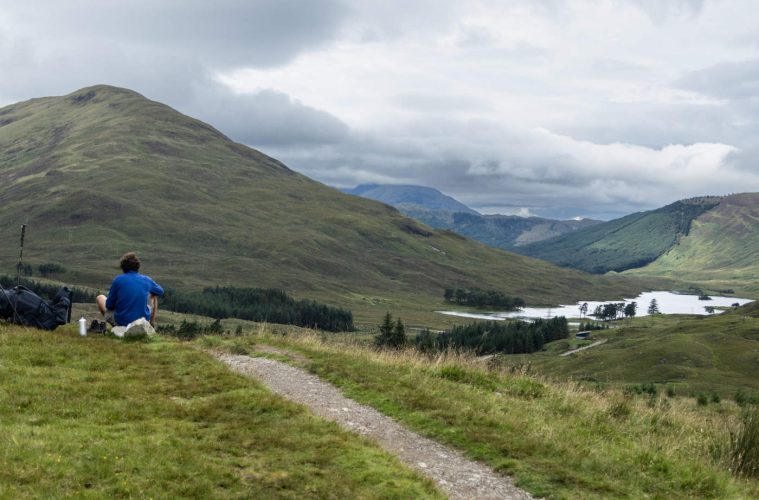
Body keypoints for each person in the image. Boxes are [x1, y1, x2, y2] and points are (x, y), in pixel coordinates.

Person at [96, 252, 164, 327]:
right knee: (153, 295)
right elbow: (160, 291)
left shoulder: (118, 280)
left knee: (100, 297)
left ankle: (117, 327)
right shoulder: (146, 280)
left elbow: (109, 305)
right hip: (142, 321)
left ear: (123, 267)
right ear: (138, 266)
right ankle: (151, 325)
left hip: (122, 322)